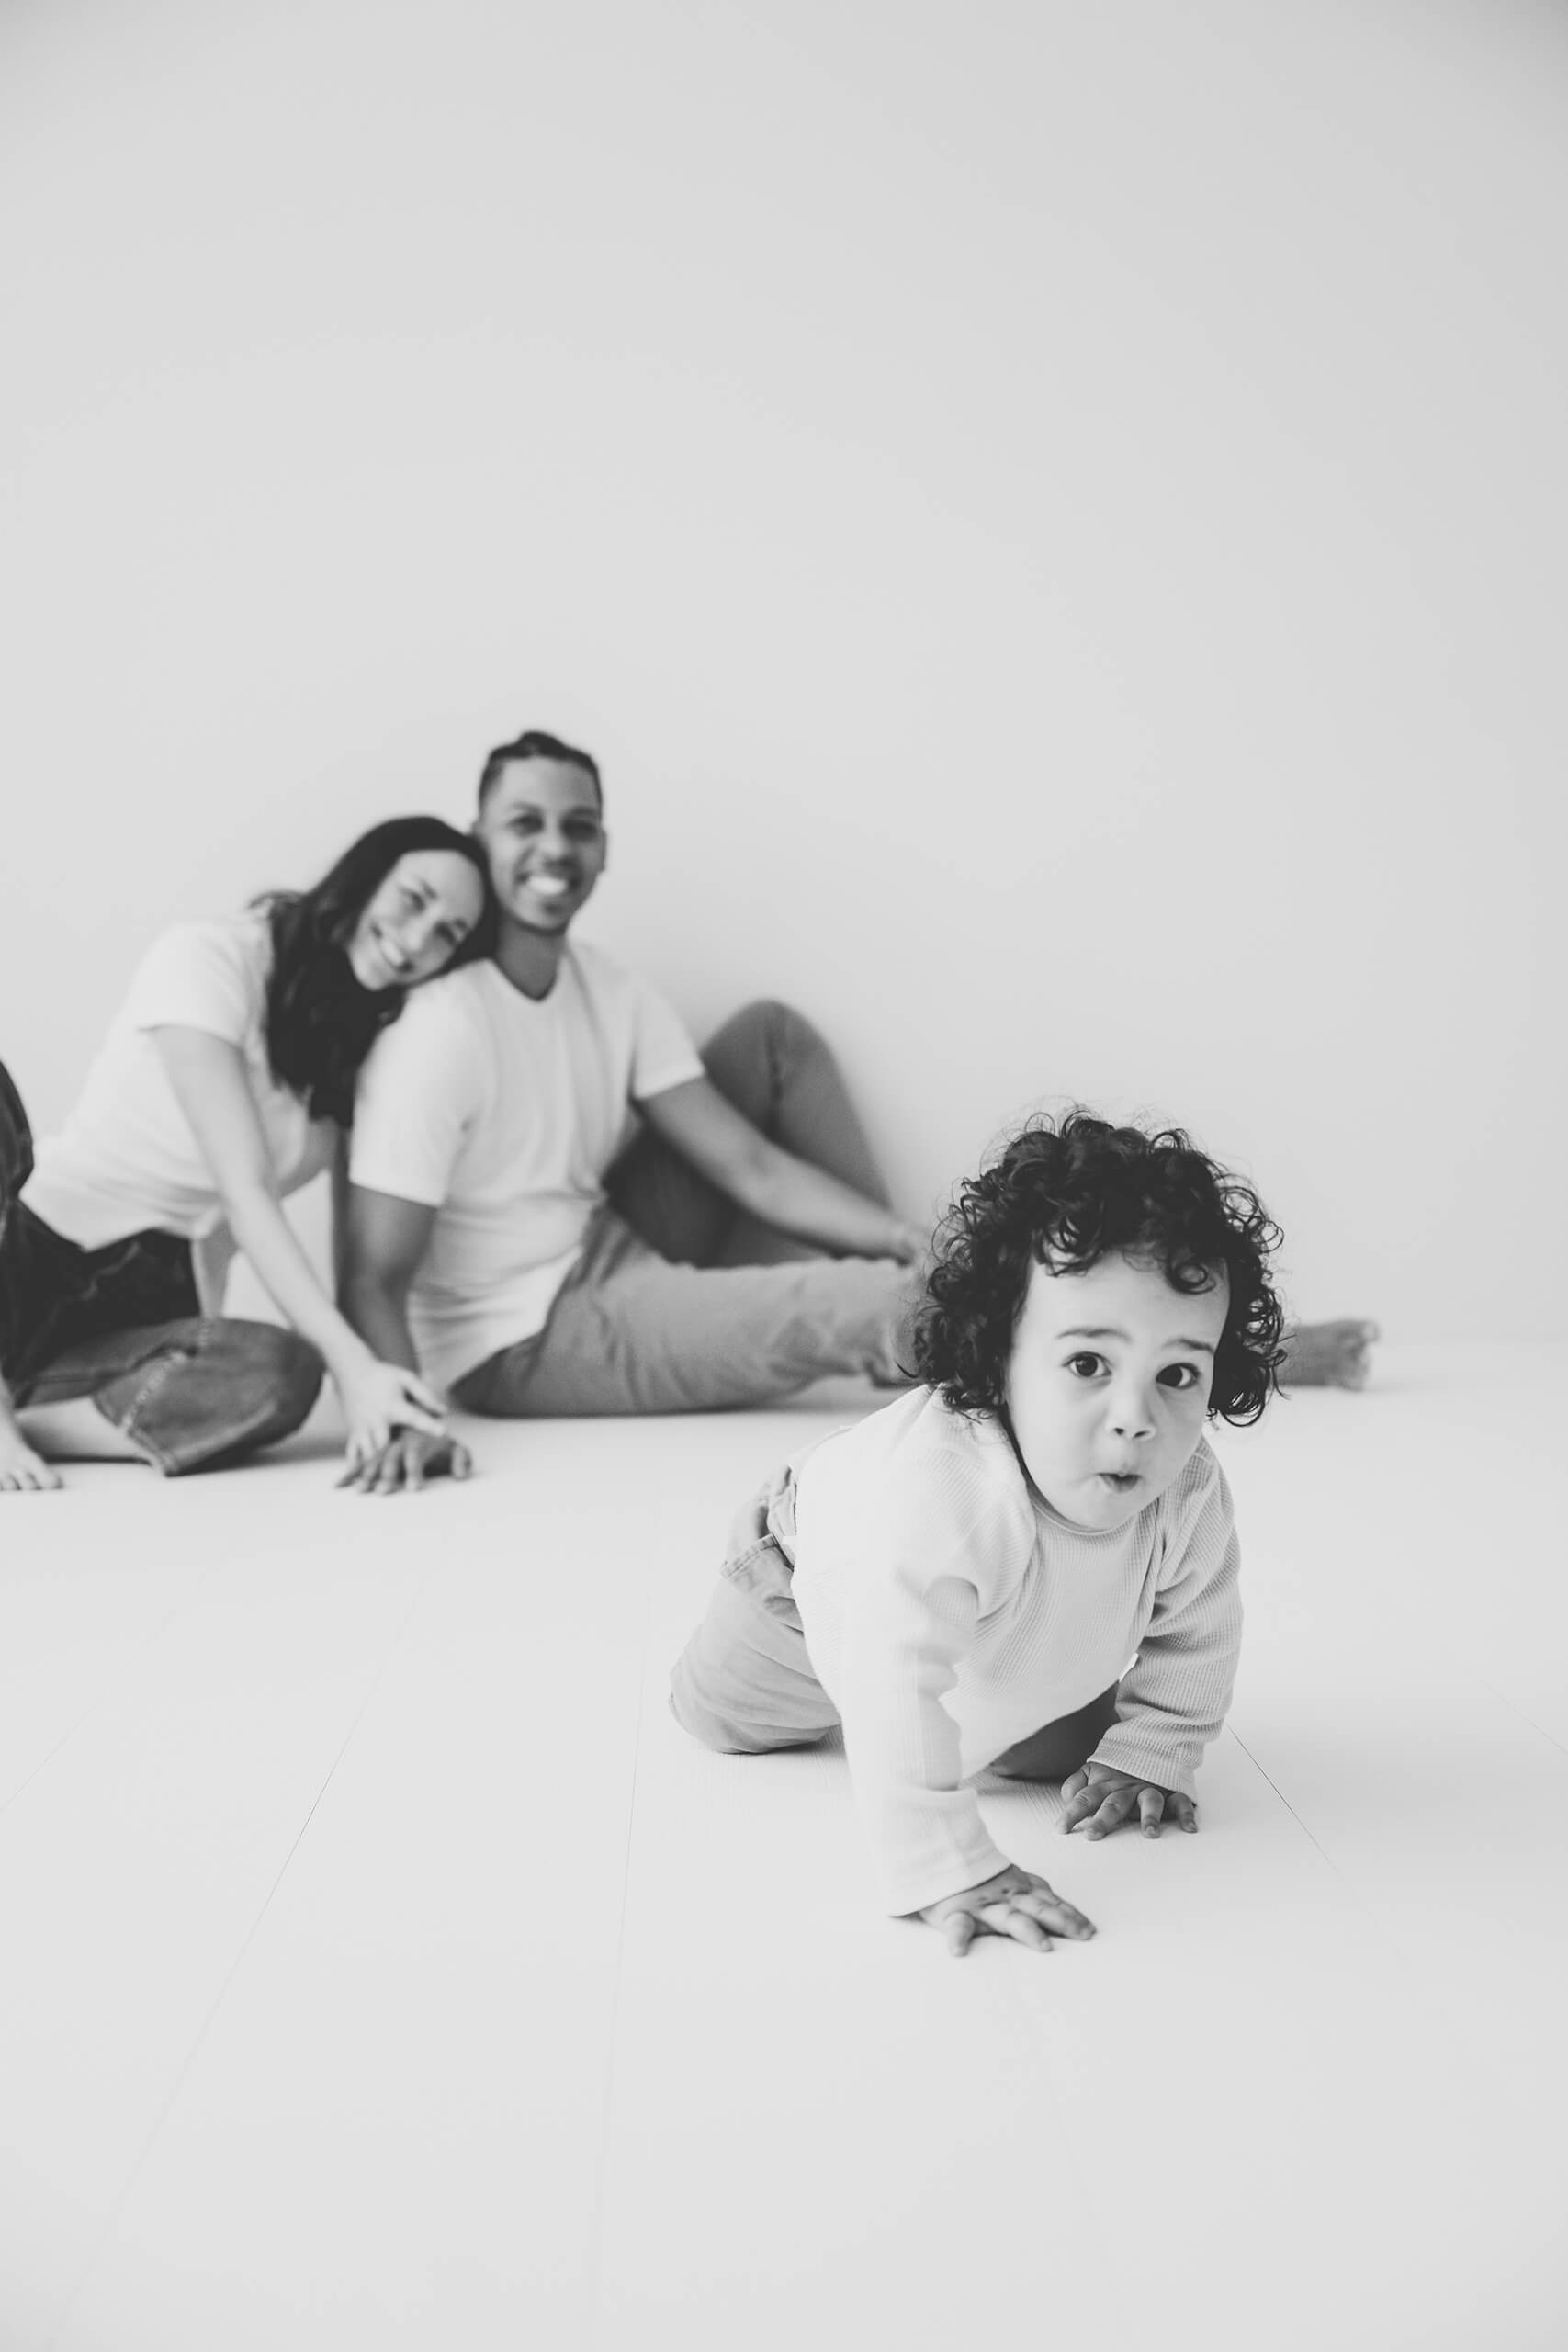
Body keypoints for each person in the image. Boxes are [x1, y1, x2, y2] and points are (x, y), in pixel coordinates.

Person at [670, 1110, 1284, 1959]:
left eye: (1177, 1373)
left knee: (1057, 1755)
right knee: (722, 1718)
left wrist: (1153, 1750)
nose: (1135, 1417)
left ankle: (985, 1715)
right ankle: (749, 1688)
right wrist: (948, 1867)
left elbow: (1199, 1631)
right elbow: (888, 1675)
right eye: (1087, 1365)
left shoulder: (1185, 1489)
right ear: (998, 1358)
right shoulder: (942, 1495)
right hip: (803, 1598)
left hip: (1006, 1636)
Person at [339, 732, 925, 1494]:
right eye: (525, 823)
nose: (555, 848)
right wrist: (407, 1419)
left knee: (771, 1038)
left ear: (604, 848)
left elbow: (748, 1167)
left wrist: (905, 1236)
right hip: (522, 1335)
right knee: (887, 1305)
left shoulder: (607, 987)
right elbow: (371, 1273)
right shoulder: (440, 1028)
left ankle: (911, 1293)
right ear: (478, 839)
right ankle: (925, 1315)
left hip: (599, 1235)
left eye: (578, 826)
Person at [0, 816, 492, 1495]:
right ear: (364, 874)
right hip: (35, 1254)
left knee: (285, 1371)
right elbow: (245, 1190)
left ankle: (26, 1424)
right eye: (414, 900)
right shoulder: (208, 958)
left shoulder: (352, 1049)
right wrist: (354, 1367)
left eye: (448, 935)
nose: (416, 942)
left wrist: (400, 1407)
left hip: (148, 1320)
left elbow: (362, 1267)